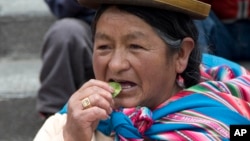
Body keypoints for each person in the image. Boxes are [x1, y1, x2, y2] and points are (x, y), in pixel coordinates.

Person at [34, 0, 250, 140]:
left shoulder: (225, 124)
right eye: (103, 47)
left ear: (181, 54)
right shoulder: (68, 123)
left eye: (135, 47)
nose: (116, 64)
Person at [36, 0, 95, 118]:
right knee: (65, 33)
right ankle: (56, 118)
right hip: (89, 28)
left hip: (136, 20)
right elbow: (62, 7)